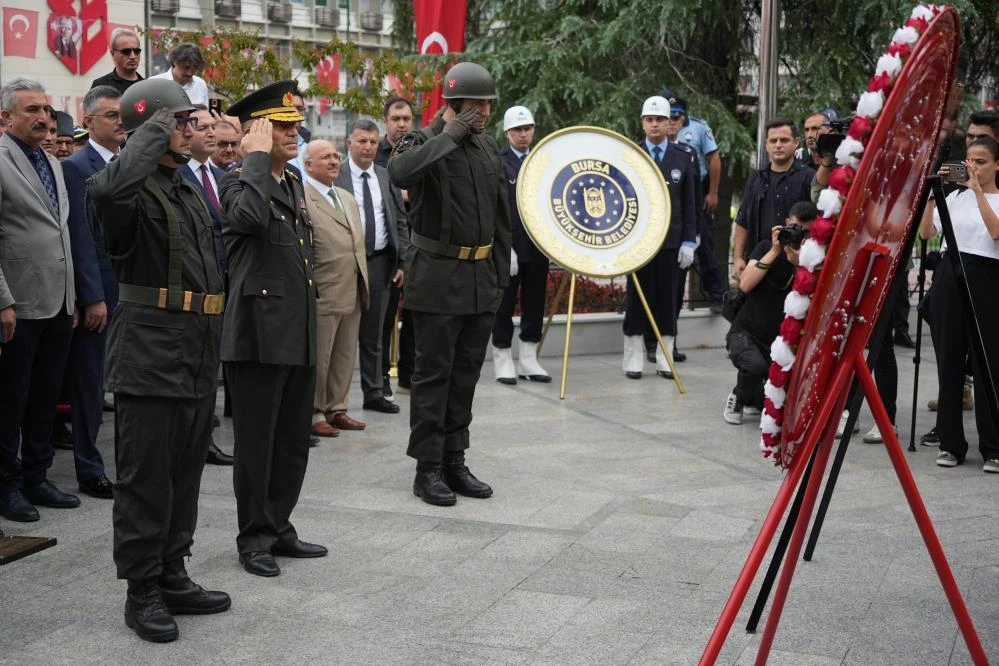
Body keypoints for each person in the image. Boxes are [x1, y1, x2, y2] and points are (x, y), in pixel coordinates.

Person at [88, 78, 230, 642]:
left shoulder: (186, 187)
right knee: (146, 477)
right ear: (153, 128)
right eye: (182, 122)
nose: (193, 131)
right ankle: (141, 588)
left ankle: (173, 571)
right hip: (149, 351)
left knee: (183, 474)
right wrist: (150, 131)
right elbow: (106, 194)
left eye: (193, 122)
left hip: (194, 347)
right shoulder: (128, 188)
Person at [389, 61, 511, 507]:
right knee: (432, 376)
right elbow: (401, 173)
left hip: (479, 280)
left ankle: (455, 458)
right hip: (437, 279)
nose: (486, 112)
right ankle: (428, 468)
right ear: (457, 105)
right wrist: (451, 134)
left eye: (488, 105)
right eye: (480, 104)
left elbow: (501, 217)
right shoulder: (423, 140)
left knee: (464, 377)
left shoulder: (486, 148)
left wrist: (498, 277)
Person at [220, 80, 328, 577]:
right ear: (256, 133)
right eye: (280, 124)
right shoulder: (237, 179)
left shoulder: (291, 182)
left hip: (295, 330)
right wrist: (256, 158)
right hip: (258, 336)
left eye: (294, 123)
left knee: (289, 441)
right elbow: (247, 219)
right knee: (257, 445)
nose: (293, 131)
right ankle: (253, 538)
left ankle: (279, 525)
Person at [0, 77, 79, 523]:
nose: (44, 118)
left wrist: (73, 296)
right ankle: (7, 485)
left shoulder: (51, 162)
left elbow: (60, 231)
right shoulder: (2, 159)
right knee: (12, 399)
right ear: (6, 117)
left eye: (46, 110)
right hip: (18, 304)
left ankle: (37, 476)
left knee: (45, 397)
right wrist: (3, 302)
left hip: (58, 302)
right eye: (32, 110)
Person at [918, 136, 999, 472]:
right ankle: (951, 443)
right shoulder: (955, 198)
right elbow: (925, 234)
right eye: (969, 161)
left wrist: (979, 191)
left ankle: (993, 446)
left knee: (988, 367)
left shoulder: (991, 198)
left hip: (987, 278)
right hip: (950, 276)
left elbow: (995, 233)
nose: (973, 168)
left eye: (981, 161)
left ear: (997, 165)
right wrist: (932, 197)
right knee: (949, 360)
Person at [59, 85, 124, 500]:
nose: (121, 122)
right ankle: (88, 467)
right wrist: (93, 296)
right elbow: (82, 237)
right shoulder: (77, 167)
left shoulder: (129, 163)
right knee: (89, 385)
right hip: (100, 294)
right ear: (89, 122)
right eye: (112, 116)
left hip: (132, 292)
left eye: (123, 115)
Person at [335, 118, 409, 414]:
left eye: (372, 142)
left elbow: (400, 220)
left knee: (374, 334)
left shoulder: (385, 175)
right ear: (348, 143)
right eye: (361, 140)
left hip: (380, 264)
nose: (367, 147)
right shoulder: (335, 174)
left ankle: (374, 392)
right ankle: (331, 403)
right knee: (339, 335)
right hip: (344, 265)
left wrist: (402, 261)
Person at [622, 95, 698, 380]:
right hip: (638, 243)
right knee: (636, 301)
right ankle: (633, 356)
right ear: (642, 123)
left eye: (660, 120)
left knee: (668, 301)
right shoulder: (632, 153)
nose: (655, 125)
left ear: (670, 123)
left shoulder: (684, 156)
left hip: (671, 241)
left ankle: (666, 356)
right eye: (650, 120)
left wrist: (690, 240)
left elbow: (690, 202)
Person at [724, 201, 816, 424]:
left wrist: (801, 262)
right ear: (785, 225)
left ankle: (752, 396)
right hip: (746, 333)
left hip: (781, 342)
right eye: (794, 228)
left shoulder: (813, 259)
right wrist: (776, 251)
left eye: (805, 232)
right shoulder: (766, 247)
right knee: (755, 367)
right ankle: (738, 394)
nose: (798, 236)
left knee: (776, 393)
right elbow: (744, 284)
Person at [179, 105, 234, 466]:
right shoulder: (180, 174)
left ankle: (206, 437)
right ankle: (192, 441)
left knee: (211, 369)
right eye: (202, 126)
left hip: (221, 284)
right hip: (191, 288)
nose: (211, 132)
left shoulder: (218, 174)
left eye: (214, 125)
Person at [302, 140, 369, 438]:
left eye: (335, 156)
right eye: (325, 157)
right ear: (308, 165)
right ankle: (315, 411)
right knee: (322, 356)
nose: (333, 161)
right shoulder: (302, 197)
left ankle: (337, 407)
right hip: (324, 290)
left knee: (344, 354)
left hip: (352, 287)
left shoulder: (345, 196)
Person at [491, 104, 550, 384]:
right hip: (508, 246)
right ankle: (502, 358)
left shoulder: (542, 160)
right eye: (517, 129)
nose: (523, 134)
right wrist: (504, 246)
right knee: (503, 304)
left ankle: (529, 358)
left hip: (537, 246)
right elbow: (494, 209)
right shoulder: (499, 162)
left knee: (535, 302)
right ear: (507, 133)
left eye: (527, 128)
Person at [661, 88, 725, 314]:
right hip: (667, 194)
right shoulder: (657, 133)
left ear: (684, 115)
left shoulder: (698, 128)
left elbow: (714, 158)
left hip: (697, 190)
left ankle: (716, 295)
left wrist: (713, 192)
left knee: (704, 242)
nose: (671, 121)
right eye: (667, 116)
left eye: (676, 116)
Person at [733, 118, 815, 279]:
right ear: (766, 144)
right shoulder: (755, 179)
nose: (778, 145)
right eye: (773, 140)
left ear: (796, 143)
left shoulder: (809, 178)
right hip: (759, 264)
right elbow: (742, 221)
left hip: (796, 267)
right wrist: (737, 258)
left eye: (784, 140)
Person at [375, 97, 416, 397]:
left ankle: (409, 375)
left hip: (419, 242)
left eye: (407, 119)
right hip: (388, 245)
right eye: (396, 119)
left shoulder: (421, 150)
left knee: (415, 312)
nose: (402, 124)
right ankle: (380, 380)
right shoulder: (374, 153)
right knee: (384, 317)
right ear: (385, 120)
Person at [150, 43, 210, 107]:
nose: (189, 73)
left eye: (194, 68)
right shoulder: (154, 84)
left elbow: (205, 113)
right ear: (174, 62)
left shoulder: (200, 84)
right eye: (186, 67)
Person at [91, 28, 144, 94]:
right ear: (113, 53)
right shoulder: (100, 86)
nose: (133, 56)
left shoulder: (147, 86)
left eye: (137, 51)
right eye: (126, 51)